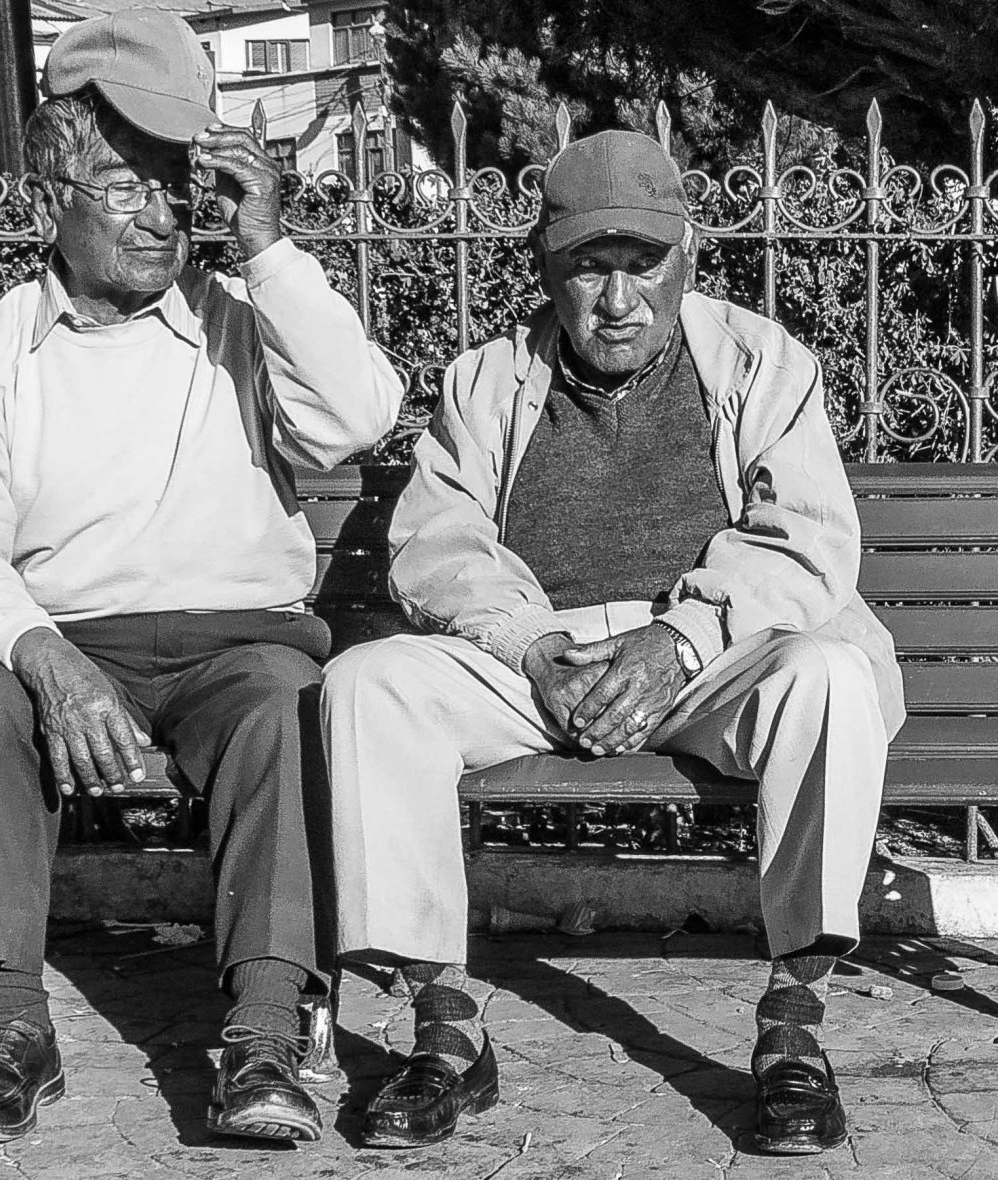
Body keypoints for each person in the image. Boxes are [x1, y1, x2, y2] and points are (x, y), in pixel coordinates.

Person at [321, 129, 904, 1154]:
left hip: (708, 650)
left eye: (644, 265)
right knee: (369, 684)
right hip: (536, 656)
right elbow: (439, 541)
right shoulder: (485, 379)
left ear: (688, 260)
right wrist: (531, 646)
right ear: (547, 271)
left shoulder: (763, 362)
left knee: (828, 676)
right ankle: (445, 1029)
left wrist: (678, 639)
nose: (619, 299)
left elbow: (805, 542)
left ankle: (793, 1028)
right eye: (591, 268)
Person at [0, 6, 402, 1147]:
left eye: (179, 185)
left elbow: (359, 416)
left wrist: (270, 249)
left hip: (237, 647)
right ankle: (9, 1027)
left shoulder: (244, 321)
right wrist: (43, 655)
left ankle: (264, 1036)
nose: (163, 215)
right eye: (126, 187)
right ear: (51, 199)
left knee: (287, 706)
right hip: (68, 645)